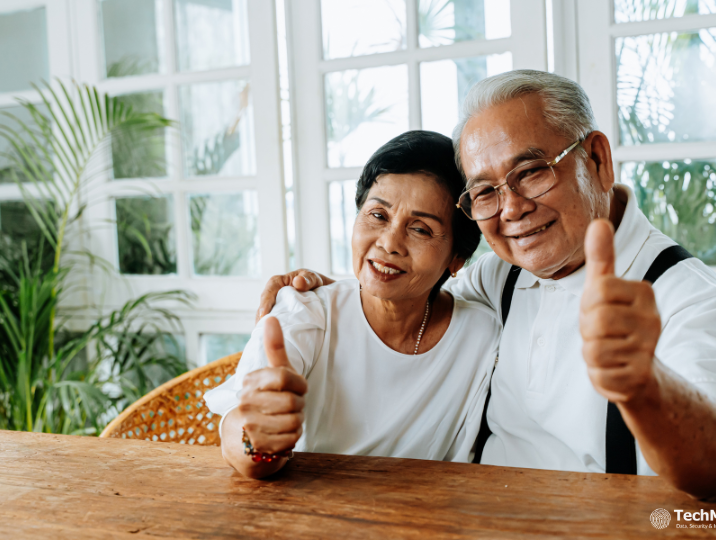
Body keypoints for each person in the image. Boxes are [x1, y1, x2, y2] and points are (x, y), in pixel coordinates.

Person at [257, 70, 716, 498]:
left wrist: (644, 384)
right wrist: (330, 294)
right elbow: (419, 276)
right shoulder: (502, 274)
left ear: (597, 159)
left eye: (532, 172)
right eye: (486, 191)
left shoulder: (692, 299)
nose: (511, 209)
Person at [205, 131, 500, 479]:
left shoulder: (482, 334)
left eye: (420, 229)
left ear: (457, 259)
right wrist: (258, 440)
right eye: (378, 215)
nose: (389, 243)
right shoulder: (305, 313)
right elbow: (240, 435)